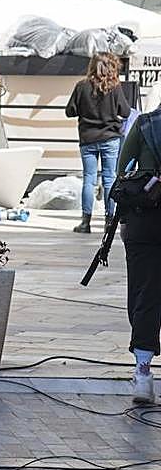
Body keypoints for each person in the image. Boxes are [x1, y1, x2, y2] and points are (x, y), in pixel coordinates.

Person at [116, 106, 161, 404]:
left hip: (145, 220)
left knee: (145, 295)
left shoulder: (146, 124)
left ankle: (143, 374)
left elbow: (121, 168)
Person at [66, 52, 131, 234]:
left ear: (92, 66)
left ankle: (85, 223)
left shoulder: (81, 86)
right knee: (109, 178)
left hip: (87, 139)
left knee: (89, 179)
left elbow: (69, 111)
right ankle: (109, 222)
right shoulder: (114, 87)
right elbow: (125, 112)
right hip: (110, 138)